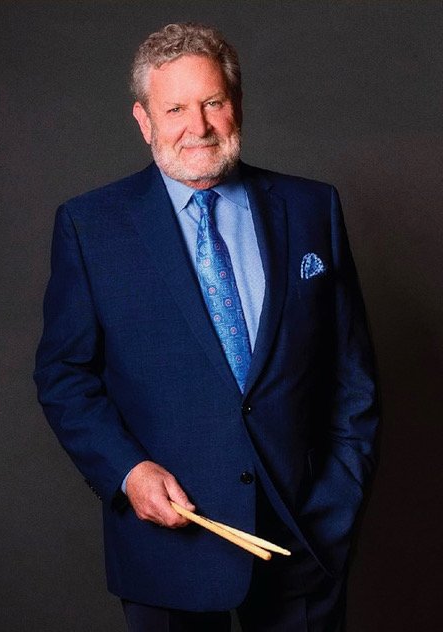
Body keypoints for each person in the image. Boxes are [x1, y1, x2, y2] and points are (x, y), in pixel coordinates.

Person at [34, 22, 379, 631]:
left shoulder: (311, 208)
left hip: (303, 539)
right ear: (144, 121)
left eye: (212, 102)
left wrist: (338, 503)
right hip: (170, 543)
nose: (197, 126)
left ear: (235, 105)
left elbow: (352, 373)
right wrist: (127, 471)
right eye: (174, 109)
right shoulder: (91, 227)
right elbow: (64, 375)